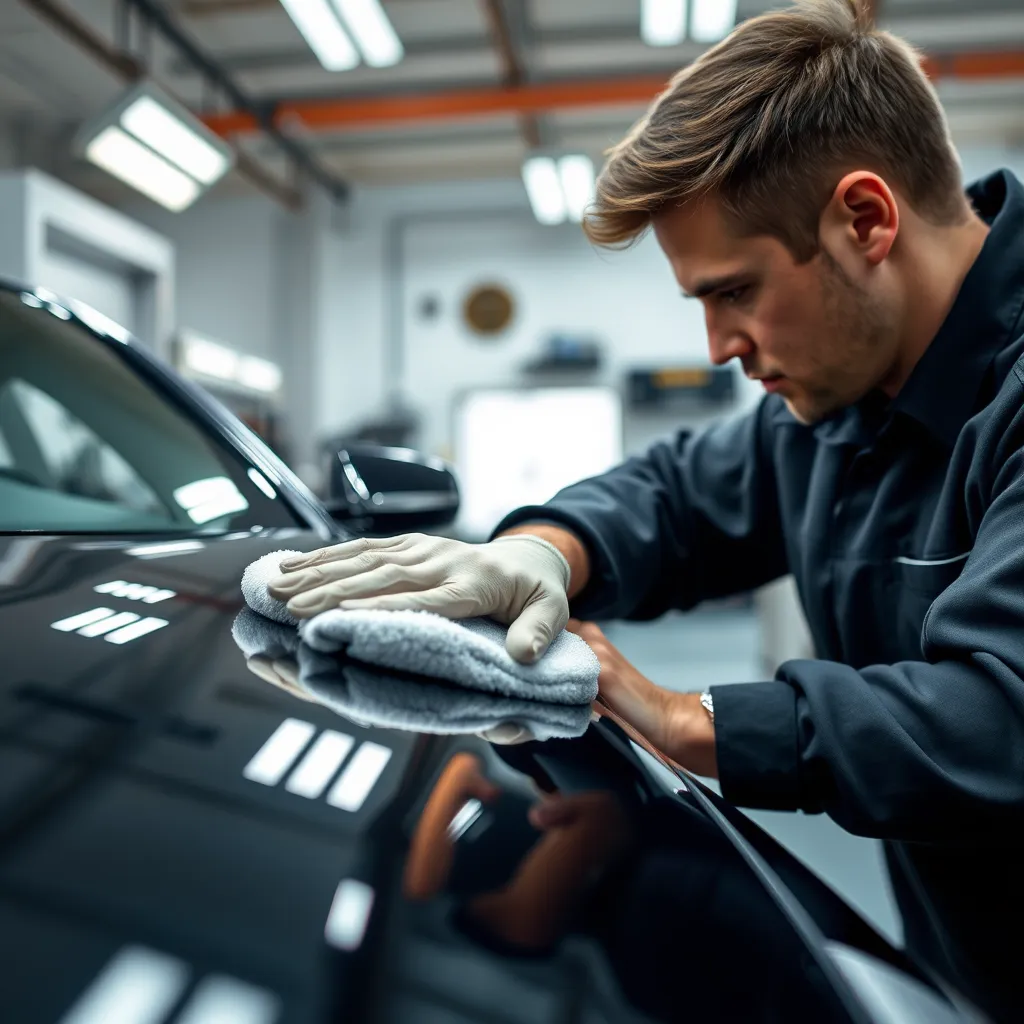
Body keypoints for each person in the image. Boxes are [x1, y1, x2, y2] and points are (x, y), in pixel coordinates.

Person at [268, 0, 1024, 1017]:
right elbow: (674, 495)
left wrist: (683, 719)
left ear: (864, 220)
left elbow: (1001, 716)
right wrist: (543, 549)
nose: (717, 344)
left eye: (735, 291)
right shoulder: (839, 398)